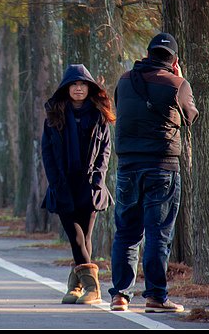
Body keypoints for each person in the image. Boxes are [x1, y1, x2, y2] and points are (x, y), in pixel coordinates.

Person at [108, 33, 199, 313]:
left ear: (147, 54)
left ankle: (120, 295)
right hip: (162, 168)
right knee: (157, 233)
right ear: (174, 61)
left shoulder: (125, 81)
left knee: (126, 232)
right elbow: (191, 116)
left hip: (127, 167)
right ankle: (156, 297)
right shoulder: (177, 84)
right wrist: (179, 79)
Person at [40, 64, 115, 305]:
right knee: (75, 235)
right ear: (66, 88)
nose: (79, 88)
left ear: (89, 88)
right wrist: (55, 183)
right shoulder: (54, 115)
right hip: (63, 185)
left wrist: (98, 180)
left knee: (86, 237)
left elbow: (105, 151)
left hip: (90, 185)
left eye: (83, 84)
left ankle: (76, 287)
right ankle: (92, 288)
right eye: (74, 84)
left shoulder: (99, 115)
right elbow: (47, 153)